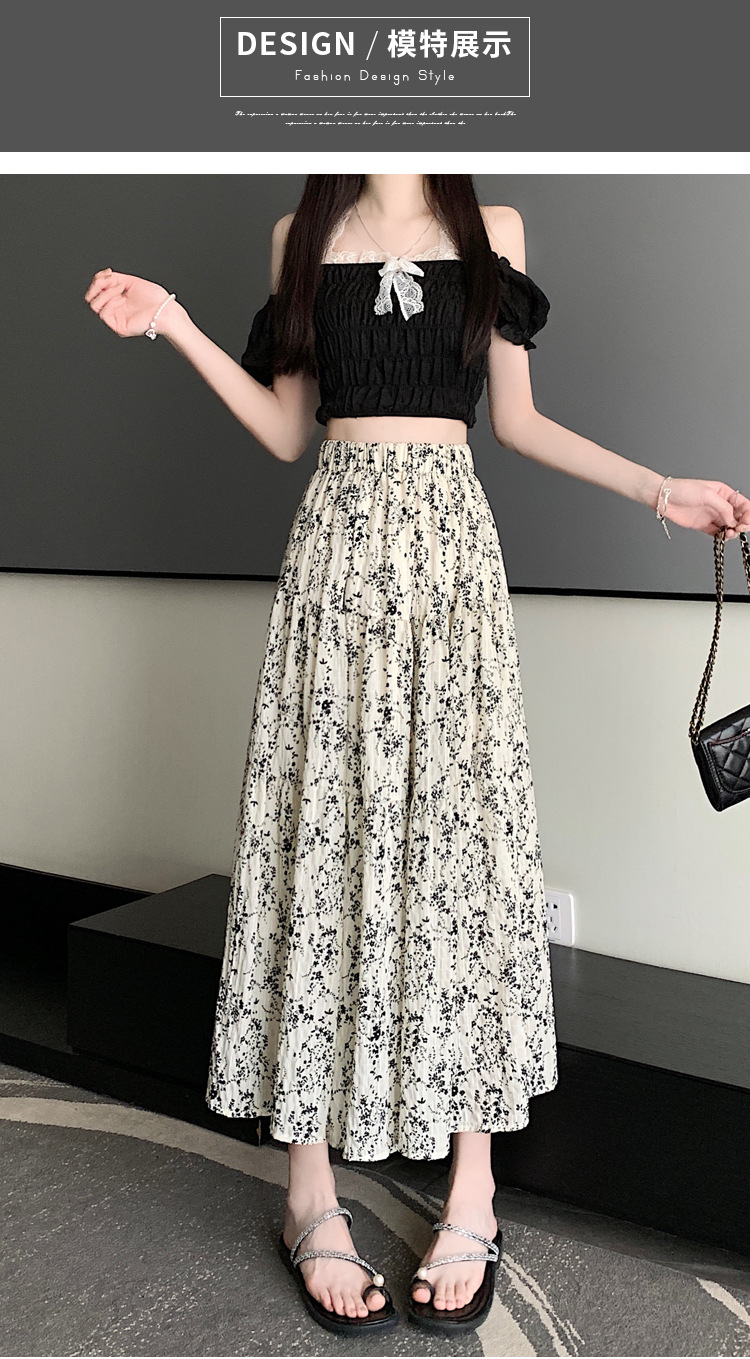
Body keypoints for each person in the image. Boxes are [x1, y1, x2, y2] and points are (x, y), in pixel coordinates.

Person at [84, 173, 750, 1337]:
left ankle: (473, 1183)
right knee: (317, 846)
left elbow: (520, 424)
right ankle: (309, 1189)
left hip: (450, 563)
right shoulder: (299, 233)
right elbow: (286, 430)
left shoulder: (494, 232)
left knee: (465, 858)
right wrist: (175, 323)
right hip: (336, 559)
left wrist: (662, 491)